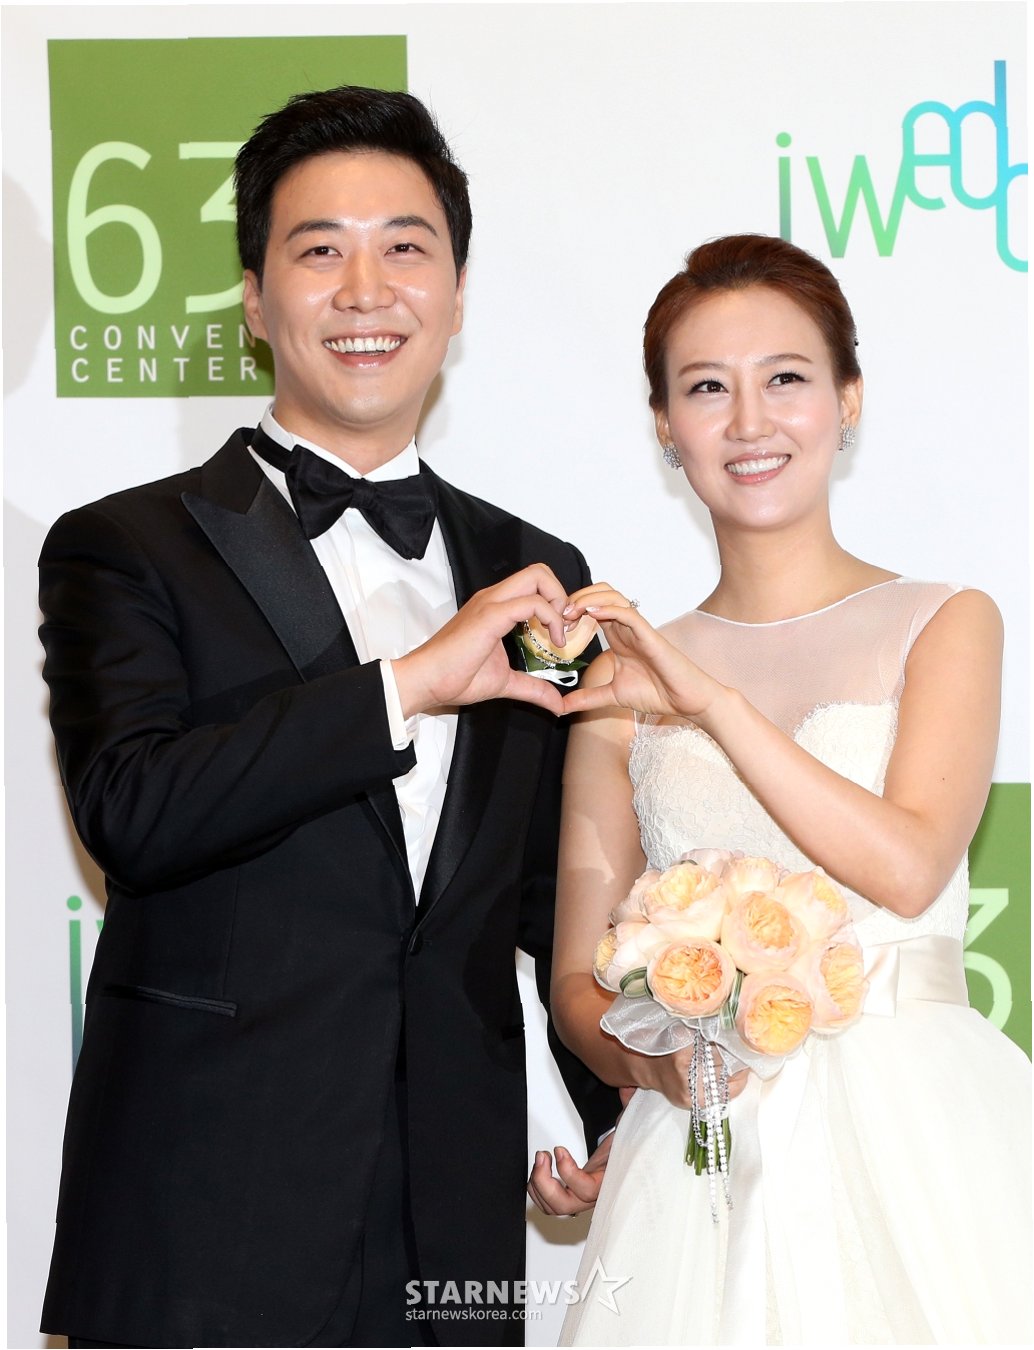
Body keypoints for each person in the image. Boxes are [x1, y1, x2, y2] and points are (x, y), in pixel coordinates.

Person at [38, 85, 616, 1350]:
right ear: (254, 301)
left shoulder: (534, 570)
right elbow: (132, 811)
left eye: (405, 247)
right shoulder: (126, 545)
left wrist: (579, 1105)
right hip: (206, 1214)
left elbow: (532, 893)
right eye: (319, 252)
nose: (366, 291)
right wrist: (405, 685)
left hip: (450, 1224)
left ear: (454, 297)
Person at [528, 234, 1032, 1344]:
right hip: (705, 1150)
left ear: (847, 400)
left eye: (786, 378)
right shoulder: (619, 685)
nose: (749, 421)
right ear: (665, 426)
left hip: (921, 1140)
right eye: (707, 388)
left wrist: (710, 702)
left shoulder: (945, 622)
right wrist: (655, 1065)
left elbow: (907, 867)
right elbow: (574, 979)